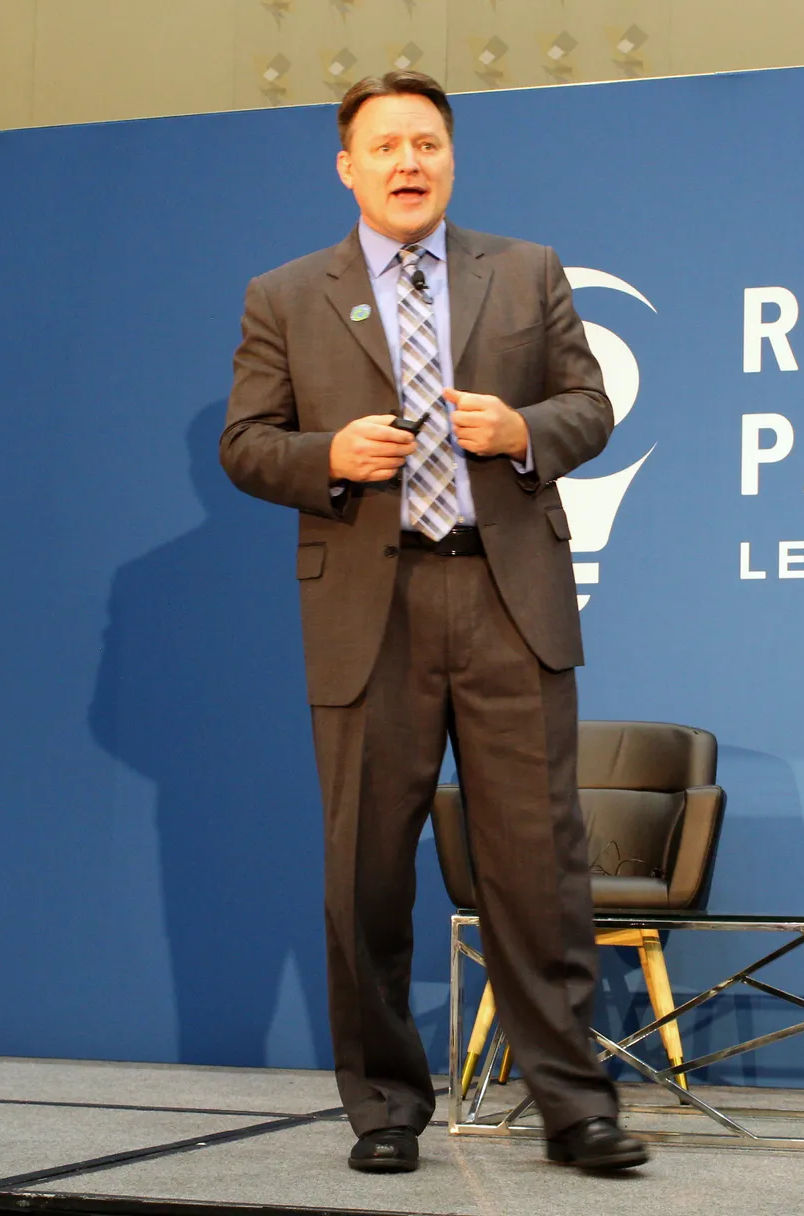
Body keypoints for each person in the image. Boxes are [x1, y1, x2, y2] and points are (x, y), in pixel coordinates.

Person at [221, 70, 645, 1175]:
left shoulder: (526, 271)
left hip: (507, 596)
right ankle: (385, 1107)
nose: (410, 162)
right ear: (347, 166)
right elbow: (245, 441)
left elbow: (589, 406)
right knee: (365, 865)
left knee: (535, 864)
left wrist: (521, 428)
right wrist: (327, 458)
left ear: (451, 158)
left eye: (429, 144)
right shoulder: (284, 293)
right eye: (387, 146)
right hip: (375, 604)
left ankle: (572, 1103)